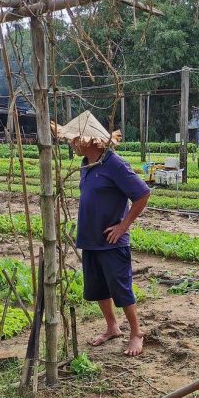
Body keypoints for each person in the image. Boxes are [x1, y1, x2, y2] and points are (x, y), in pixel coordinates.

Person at [56, 111, 151, 356]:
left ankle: (136, 332)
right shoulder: (87, 165)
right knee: (98, 288)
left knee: (121, 288)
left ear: (88, 140)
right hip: (91, 239)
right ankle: (112, 327)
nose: (71, 144)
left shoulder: (114, 163)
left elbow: (142, 194)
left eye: (74, 139)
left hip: (112, 242)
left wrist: (123, 226)